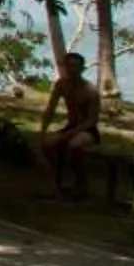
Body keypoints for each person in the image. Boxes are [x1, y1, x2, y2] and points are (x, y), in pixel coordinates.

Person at [36, 50, 105, 198]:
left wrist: (70, 133)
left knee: (74, 146)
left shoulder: (90, 90)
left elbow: (92, 120)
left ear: (82, 68)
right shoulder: (61, 85)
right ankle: (54, 186)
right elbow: (50, 109)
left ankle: (81, 185)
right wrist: (42, 131)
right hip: (71, 126)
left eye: (76, 66)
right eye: (69, 65)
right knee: (47, 145)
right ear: (65, 67)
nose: (72, 69)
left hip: (88, 130)